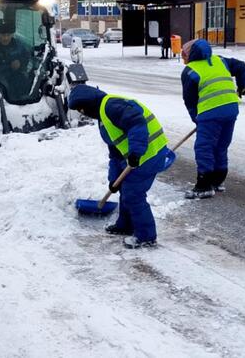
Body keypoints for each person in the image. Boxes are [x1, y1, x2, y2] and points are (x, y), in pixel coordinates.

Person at [68, 84, 169, 249]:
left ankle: (146, 237)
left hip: (149, 154)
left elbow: (137, 123)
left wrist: (136, 152)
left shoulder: (111, 106)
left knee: (133, 195)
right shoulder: (103, 117)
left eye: (82, 109)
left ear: (88, 104)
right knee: (125, 188)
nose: (83, 113)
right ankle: (126, 225)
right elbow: (115, 152)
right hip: (138, 155)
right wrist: (114, 180)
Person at [180, 39, 245, 199]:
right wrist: (241, 87)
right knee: (221, 145)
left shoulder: (190, 71)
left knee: (204, 147)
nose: (183, 58)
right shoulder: (220, 61)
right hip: (231, 108)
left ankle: (204, 186)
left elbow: (190, 101)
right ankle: (218, 181)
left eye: (183, 54)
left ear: (190, 54)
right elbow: (241, 67)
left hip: (210, 112)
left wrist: (197, 119)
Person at [0, 18, 34, 97]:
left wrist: (20, 63)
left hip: (16, 78)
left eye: (8, 35)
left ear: (12, 34)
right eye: (3, 35)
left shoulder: (19, 46)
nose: (6, 38)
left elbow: (27, 57)